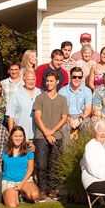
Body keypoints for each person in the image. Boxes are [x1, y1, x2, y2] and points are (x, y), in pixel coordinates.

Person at [33, 71, 69, 201]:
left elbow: (64, 118)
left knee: (54, 164)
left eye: (51, 81)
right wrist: (46, 133)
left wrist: (52, 131)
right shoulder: (40, 98)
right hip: (42, 135)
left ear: (57, 82)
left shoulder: (62, 99)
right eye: (47, 81)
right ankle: (43, 189)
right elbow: (37, 117)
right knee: (42, 164)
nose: (49, 83)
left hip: (57, 135)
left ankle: (53, 189)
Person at [2, 126, 40, 207]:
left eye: (20, 136)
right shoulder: (4, 148)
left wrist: (21, 184)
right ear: (11, 136)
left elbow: (30, 169)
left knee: (35, 195)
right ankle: (15, 195)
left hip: (24, 180)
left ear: (23, 137)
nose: (18, 138)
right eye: (16, 136)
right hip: (9, 180)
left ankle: (23, 194)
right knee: (12, 205)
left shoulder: (29, 149)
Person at [58, 66, 92, 145]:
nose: (77, 79)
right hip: (67, 115)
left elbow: (88, 109)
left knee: (86, 125)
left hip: (81, 115)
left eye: (79, 77)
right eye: (74, 77)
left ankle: (84, 150)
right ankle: (67, 153)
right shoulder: (63, 91)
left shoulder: (87, 91)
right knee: (64, 127)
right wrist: (69, 120)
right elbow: (62, 110)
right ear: (70, 77)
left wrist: (80, 119)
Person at [7, 70, 42, 140]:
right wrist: (11, 135)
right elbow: (10, 116)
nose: (31, 82)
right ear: (24, 80)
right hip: (21, 137)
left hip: (39, 135)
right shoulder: (16, 95)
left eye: (33, 79)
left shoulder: (41, 93)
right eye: (29, 79)